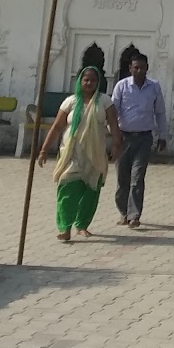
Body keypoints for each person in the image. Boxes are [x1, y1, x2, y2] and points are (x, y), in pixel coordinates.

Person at [37, 66, 121, 242]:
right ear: (80, 81)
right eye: (86, 79)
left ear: (98, 83)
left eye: (93, 80)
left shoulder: (105, 101)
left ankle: (82, 224)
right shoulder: (71, 101)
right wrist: (44, 149)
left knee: (91, 190)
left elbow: (113, 124)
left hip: (96, 153)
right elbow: (58, 126)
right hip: (72, 152)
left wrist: (115, 144)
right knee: (67, 187)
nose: (89, 83)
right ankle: (65, 227)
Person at [109, 53, 169, 229]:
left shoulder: (154, 87)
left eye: (142, 67)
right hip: (124, 138)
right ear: (130, 68)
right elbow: (113, 112)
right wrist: (114, 136)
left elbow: (160, 113)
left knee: (137, 177)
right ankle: (124, 212)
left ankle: (135, 215)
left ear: (147, 68)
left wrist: (163, 136)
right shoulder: (121, 86)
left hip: (144, 138)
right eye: (136, 67)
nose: (139, 70)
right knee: (122, 178)